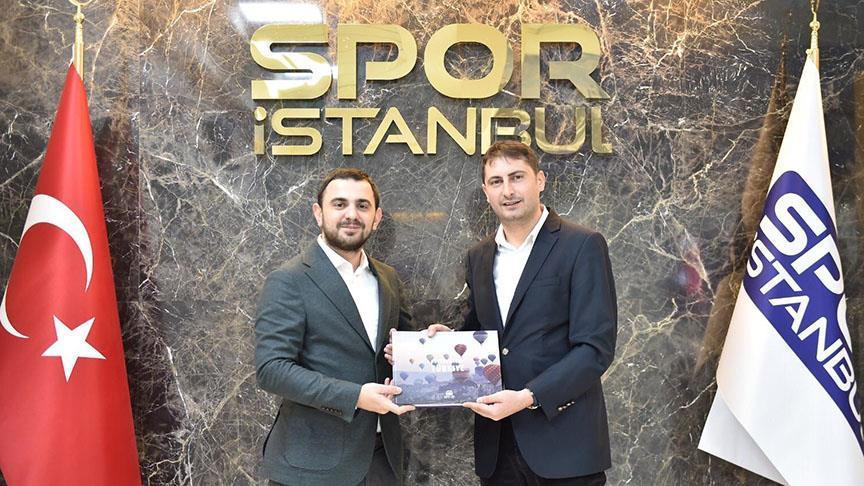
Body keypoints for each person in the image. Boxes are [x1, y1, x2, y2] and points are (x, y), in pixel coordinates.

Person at [426, 140, 617, 485]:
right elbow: (485, 334)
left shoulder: (582, 245)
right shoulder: (478, 256)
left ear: (539, 180)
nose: (508, 191)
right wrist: (445, 344)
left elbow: (595, 349)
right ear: (486, 192)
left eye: (517, 177)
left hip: (565, 447)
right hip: (497, 450)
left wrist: (528, 397)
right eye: (496, 181)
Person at [255, 168, 414, 486]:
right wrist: (355, 396)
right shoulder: (289, 280)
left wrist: (431, 345)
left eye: (362, 205)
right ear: (319, 213)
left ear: (376, 218)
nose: (351, 214)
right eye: (339, 204)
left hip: (382, 461)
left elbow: (403, 346)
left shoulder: (388, 278)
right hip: (312, 466)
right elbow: (271, 369)